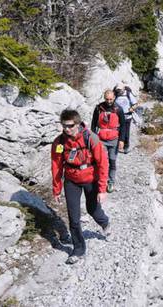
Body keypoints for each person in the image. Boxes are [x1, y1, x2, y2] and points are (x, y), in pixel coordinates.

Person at [51, 109, 110, 265]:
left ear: (77, 123)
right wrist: (56, 189)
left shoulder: (91, 138)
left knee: (93, 209)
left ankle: (104, 223)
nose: (66, 129)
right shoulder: (59, 142)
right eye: (63, 125)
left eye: (70, 126)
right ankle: (78, 250)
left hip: (91, 178)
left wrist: (102, 188)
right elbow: (56, 166)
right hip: (71, 180)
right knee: (74, 219)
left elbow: (103, 163)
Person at [91, 90, 126, 193]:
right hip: (101, 139)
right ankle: (101, 180)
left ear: (114, 97)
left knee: (112, 161)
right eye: (107, 99)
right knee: (101, 161)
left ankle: (111, 181)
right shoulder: (98, 108)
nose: (109, 101)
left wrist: (122, 140)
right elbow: (93, 124)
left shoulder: (119, 109)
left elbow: (123, 125)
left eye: (111, 99)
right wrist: (93, 138)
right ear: (104, 98)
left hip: (114, 139)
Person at [113, 83, 138, 154]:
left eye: (120, 90)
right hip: (117, 116)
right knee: (117, 131)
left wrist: (132, 108)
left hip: (127, 116)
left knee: (126, 131)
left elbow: (135, 104)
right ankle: (118, 146)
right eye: (117, 90)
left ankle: (126, 146)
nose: (119, 91)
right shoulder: (115, 94)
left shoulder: (128, 94)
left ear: (123, 88)